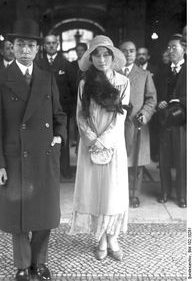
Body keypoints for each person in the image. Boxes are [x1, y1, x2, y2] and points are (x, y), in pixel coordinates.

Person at [0, 19, 67, 281]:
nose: (25, 50)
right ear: (12, 47)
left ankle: (39, 264)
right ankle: (22, 265)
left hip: (43, 156)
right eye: (20, 44)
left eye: (31, 45)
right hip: (14, 158)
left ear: (37, 49)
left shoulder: (47, 78)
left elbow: (59, 114)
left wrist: (59, 137)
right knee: (19, 219)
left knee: (44, 214)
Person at [70, 35, 130, 262]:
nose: (102, 59)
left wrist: (104, 140)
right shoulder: (85, 84)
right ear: (91, 57)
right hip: (91, 144)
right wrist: (92, 139)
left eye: (106, 54)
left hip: (113, 144)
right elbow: (80, 115)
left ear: (113, 57)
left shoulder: (123, 83)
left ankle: (112, 238)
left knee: (112, 193)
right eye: (97, 54)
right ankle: (101, 239)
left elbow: (120, 120)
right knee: (96, 191)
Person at [119, 40, 157, 208]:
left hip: (136, 124)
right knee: (118, 162)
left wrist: (144, 114)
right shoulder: (112, 72)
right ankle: (118, 194)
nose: (128, 54)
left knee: (136, 163)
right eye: (125, 51)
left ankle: (134, 195)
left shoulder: (144, 74)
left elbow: (151, 100)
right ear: (119, 53)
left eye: (132, 51)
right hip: (117, 125)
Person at [37, 34, 76, 179]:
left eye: (54, 43)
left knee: (62, 137)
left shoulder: (66, 64)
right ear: (44, 46)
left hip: (62, 109)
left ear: (58, 45)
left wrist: (70, 111)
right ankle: (46, 170)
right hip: (42, 108)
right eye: (48, 43)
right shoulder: (38, 64)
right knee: (44, 138)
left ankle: (64, 169)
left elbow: (73, 89)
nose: (51, 46)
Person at [157, 34, 186, 208]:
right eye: (169, 47)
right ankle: (165, 192)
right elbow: (156, 92)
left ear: (185, 49)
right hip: (164, 120)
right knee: (164, 158)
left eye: (174, 47)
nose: (170, 50)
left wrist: (180, 101)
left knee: (182, 159)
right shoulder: (163, 70)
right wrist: (161, 100)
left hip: (182, 122)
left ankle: (182, 195)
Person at [70, 42, 87, 149]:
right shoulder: (71, 65)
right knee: (74, 118)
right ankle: (74, 140)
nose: (80, 52)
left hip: (85, 96)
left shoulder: (89, 65)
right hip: (73, 96)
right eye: (78, 50)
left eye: (82, 50)